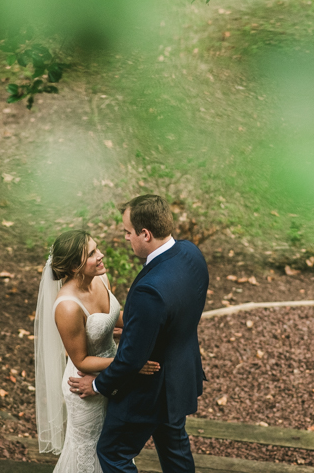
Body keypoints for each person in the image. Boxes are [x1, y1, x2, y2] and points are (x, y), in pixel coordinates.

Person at [69, 195, 209, 473]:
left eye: (128, 232)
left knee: (112, 453)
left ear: (145, 234)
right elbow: (178, 312)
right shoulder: (190, 253)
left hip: (149, 390)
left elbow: (131, 360)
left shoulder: (149, 290)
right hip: (180, 375)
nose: (125, 238)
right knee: (175, 450)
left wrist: (96, 385)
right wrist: (136, 328)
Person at [34, 229, 160, 473]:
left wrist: (150, 321)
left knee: (113, 447)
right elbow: (80, 360)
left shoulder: (101, 278)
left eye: (96, 248)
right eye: (92, 253)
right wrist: (129, 362)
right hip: (84, 385)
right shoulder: (68, 307)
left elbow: (112, 317)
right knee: (89, 453)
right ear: (73, 266)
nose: (101, 255)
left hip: (112, 376)